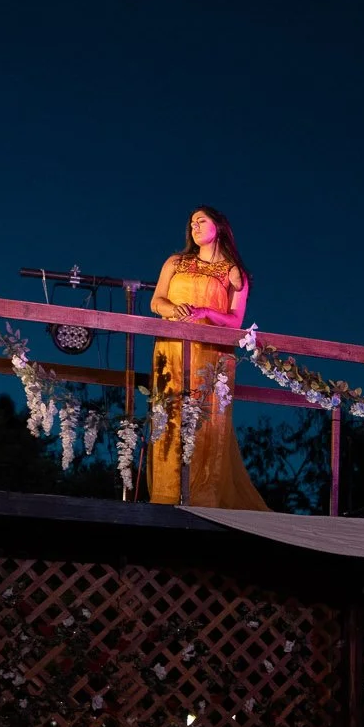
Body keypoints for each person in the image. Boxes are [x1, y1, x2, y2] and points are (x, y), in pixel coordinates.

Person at [147, 207, 269, 510]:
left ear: (220, 226)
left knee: (207, 420)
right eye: (191, 222)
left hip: (211, 356)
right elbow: (155, 301)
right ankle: (165, 495)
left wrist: (204, 312)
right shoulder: (176, 262)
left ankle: (204, 499)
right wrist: (173, 309)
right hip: (172, 348)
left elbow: (234, 321)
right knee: (171, 413)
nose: (194, 226)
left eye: (201, 220)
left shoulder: (233, 272)